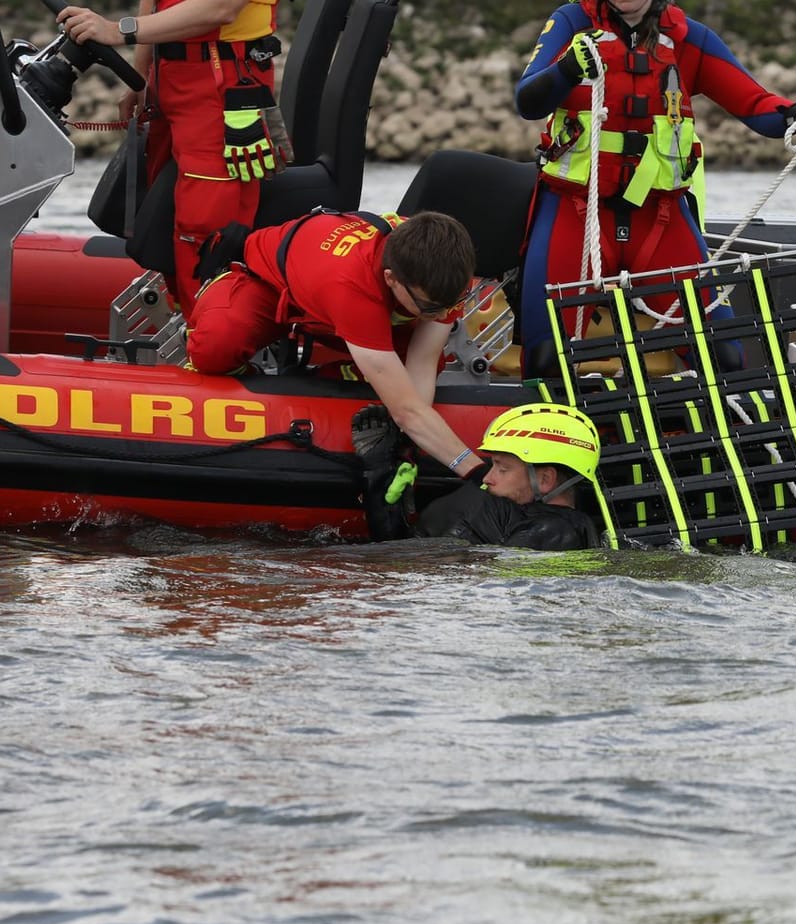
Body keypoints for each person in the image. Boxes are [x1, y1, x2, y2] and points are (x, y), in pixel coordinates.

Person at [512, 0, 796, 368]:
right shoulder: (571, 22)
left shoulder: (690, 39)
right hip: (574, 212)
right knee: (545, 357)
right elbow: (528, 101)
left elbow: (758, 107)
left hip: (661, 220)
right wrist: (568, 69)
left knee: (724, 358)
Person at [187, 208, 488, 486]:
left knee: (412, 374)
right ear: (391, 279)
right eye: (429, 307)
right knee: (215, 346)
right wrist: (477, 473)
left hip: (339, 305)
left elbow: (421, 366)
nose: (440, 315)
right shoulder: (354, 285)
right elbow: (408, 410)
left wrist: (406, 444)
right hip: (271, 285)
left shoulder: (443, 276)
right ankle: (258, 382)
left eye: (452, 305)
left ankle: (324, 381)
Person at [56, 0, 287, 319]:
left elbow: (220, 9)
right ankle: (186, 324)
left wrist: (116, 30)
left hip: (224, 83)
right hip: (168, 80)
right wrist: (139, 77)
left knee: (205, 228)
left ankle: (210, 341)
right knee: (163, 214)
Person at [356, 403, 603, 550]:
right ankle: (379, 484)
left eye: (502, 469)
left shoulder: (554, 533)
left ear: (546, 479)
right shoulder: (512, 514)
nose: (487, 478)